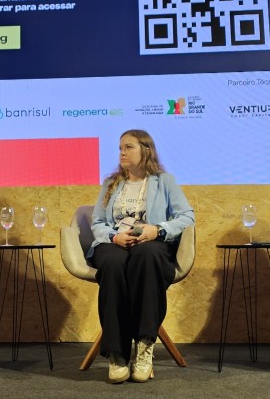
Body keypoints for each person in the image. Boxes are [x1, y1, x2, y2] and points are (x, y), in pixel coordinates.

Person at [89, 129, 194, 383]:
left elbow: (187, 216)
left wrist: (157, 230)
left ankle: (145, 346)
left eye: (128, 147)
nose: (122, 153)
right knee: (113, 263)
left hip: (151, 243)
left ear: (146, 150)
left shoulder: (163, 181)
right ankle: (117, 355)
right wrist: (114, 237)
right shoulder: (111, 183)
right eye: (120, 148)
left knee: (146, 256)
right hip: (116, 242)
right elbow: (97, 222)